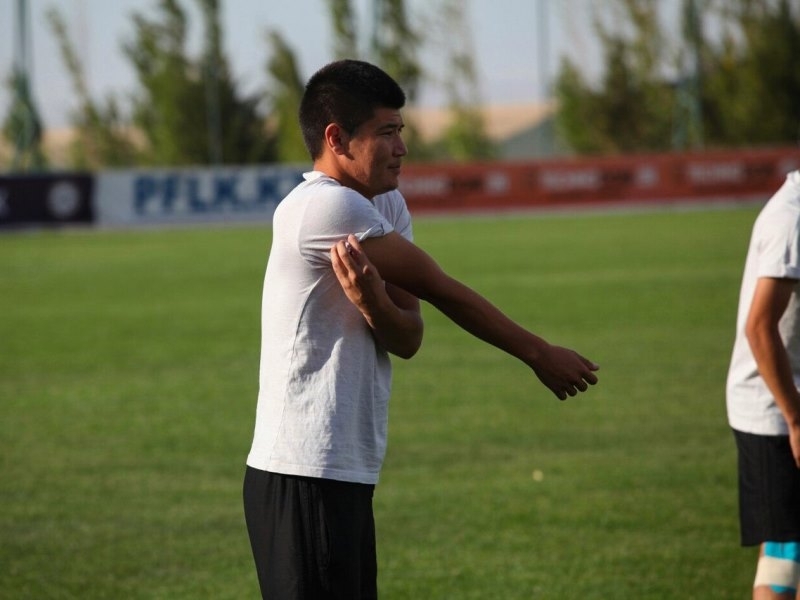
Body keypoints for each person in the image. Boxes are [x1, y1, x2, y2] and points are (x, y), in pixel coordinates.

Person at [243, 59, 600, 600]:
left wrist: (373, 303)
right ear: (336, 139)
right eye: (386, 133)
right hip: (303, 470)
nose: (402, 148)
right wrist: (537, 353)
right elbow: (440, 287)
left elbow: (408, 338)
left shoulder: (384, 203)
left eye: (401, 130)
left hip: (344, 468)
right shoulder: (323, 206)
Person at [726, 169, 800, 600]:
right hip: (774, 410)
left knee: (789, 548)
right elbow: (759, 327)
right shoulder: (791, 220)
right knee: (784, 551)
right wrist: (795, 419)